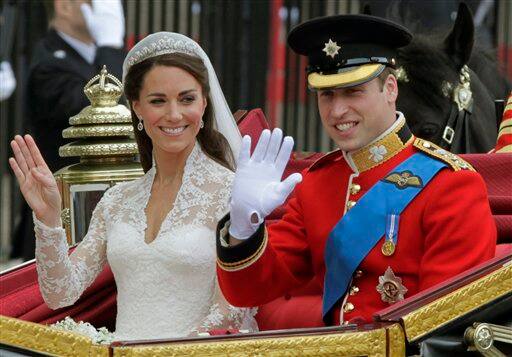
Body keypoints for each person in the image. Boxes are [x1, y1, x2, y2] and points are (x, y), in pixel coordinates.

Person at [215, 14, 497, 326]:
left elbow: (444, 324)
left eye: (353, 92)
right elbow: (249, 290)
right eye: (327, 94)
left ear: (390, 89)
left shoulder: (452, 185)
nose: (337, 111)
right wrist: (243, 229)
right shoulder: (317, 184)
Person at [9, 32, 257, 341]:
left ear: (204, 103)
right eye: (158, 101)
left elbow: (233, 310)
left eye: (186, 98)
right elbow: (61, 293)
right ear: (137, 107)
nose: (174, 114)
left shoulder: (232, 194)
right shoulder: (117, 200)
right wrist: (48, 219)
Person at [13, 0, 126, 262]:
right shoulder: (50, 64)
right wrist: (110, 46)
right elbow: (100, 110)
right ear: (64, 6)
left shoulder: (93, 58)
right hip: (64, 217)